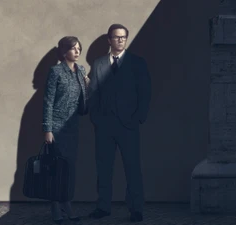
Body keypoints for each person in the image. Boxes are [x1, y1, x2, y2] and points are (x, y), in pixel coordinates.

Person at [87, 24, 151, 222]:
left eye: (123, 37)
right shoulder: (98, 64)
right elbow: (93, 93)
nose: (120, 40)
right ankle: (103, 206)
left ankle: (136, 209)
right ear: (109, 40)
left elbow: (145, 92)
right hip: (104, 125)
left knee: (132, 168)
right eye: (116, 37)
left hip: (128, 124)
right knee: (104, 168)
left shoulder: (137, 63)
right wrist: (96, 118)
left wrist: (138, 117)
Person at [42, 36, 89, 224]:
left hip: (73, 127)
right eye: (73, 48)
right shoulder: (55, 72)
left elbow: (83, 106)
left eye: (79, 48)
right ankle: (56, 206)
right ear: (64, 51)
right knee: (56, 169)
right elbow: (48, 101)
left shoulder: (81, 71)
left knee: (69, 169)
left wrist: (87, 86)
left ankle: (67, 203)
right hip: (57, 127)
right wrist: (47, 129)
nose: (77, 52)